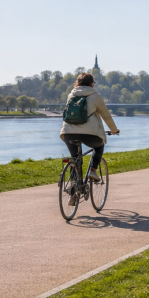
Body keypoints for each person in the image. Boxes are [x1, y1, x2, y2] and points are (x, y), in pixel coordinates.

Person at [61, 73, 121, 203]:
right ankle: (93, 170)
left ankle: (73, 191)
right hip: (89, 134)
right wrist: (114, 130)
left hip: (68, 133)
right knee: (99, 146)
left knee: (75, 159)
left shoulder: (71, 95)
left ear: (77, 83)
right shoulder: (96, 96)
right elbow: (106, 116)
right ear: (92, 83)